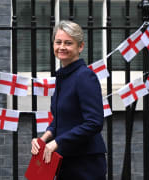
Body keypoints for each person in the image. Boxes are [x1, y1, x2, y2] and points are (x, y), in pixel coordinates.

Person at [31, 20, 107, 180]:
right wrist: (43, 139)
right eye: (58, 42)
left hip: (86, 163)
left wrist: (57, 142)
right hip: (65, 160)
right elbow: (60, 119)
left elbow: (94, 122)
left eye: (68, 43)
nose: (62, 47)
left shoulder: (85, 76)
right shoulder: (63, 77)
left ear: (80, 47)